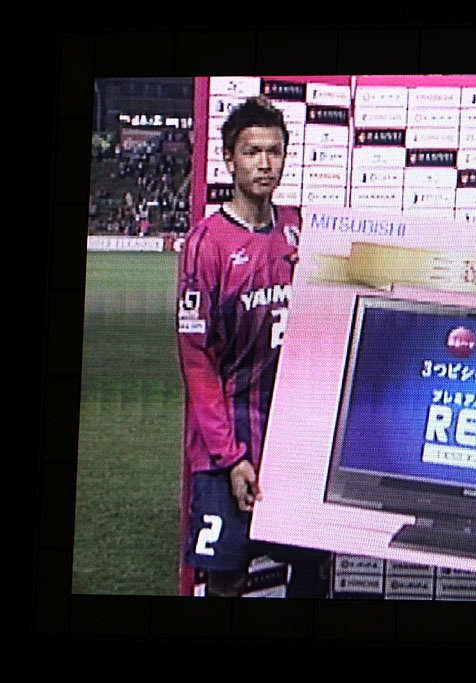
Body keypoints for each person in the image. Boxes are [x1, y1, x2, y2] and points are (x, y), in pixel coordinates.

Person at [177, 96, 328, 597]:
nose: (265, 164)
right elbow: (197, 361)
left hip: (293, 440)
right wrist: (230, 456)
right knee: (226, 578)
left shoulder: (299, 229)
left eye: (274, 151)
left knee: (309, 571)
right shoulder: (207, 244)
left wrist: (324, 270)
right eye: (252, 152)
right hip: (229, 439)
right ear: (229, 159)